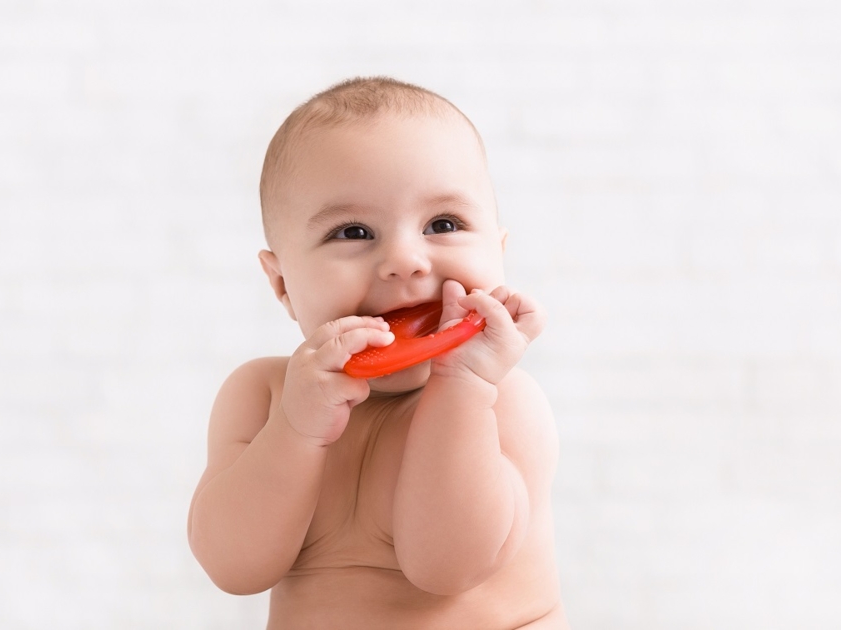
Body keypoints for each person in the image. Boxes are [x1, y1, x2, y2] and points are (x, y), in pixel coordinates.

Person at [188, 76, 567, 629]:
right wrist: (294, 429)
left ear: (497, 251)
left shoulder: (503, 402)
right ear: (283, 284)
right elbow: (233, 567)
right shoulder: (263, 396)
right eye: (353, 231)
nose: (406, 260)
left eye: (444, 224)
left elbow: (447, 566)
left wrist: (461, 391)